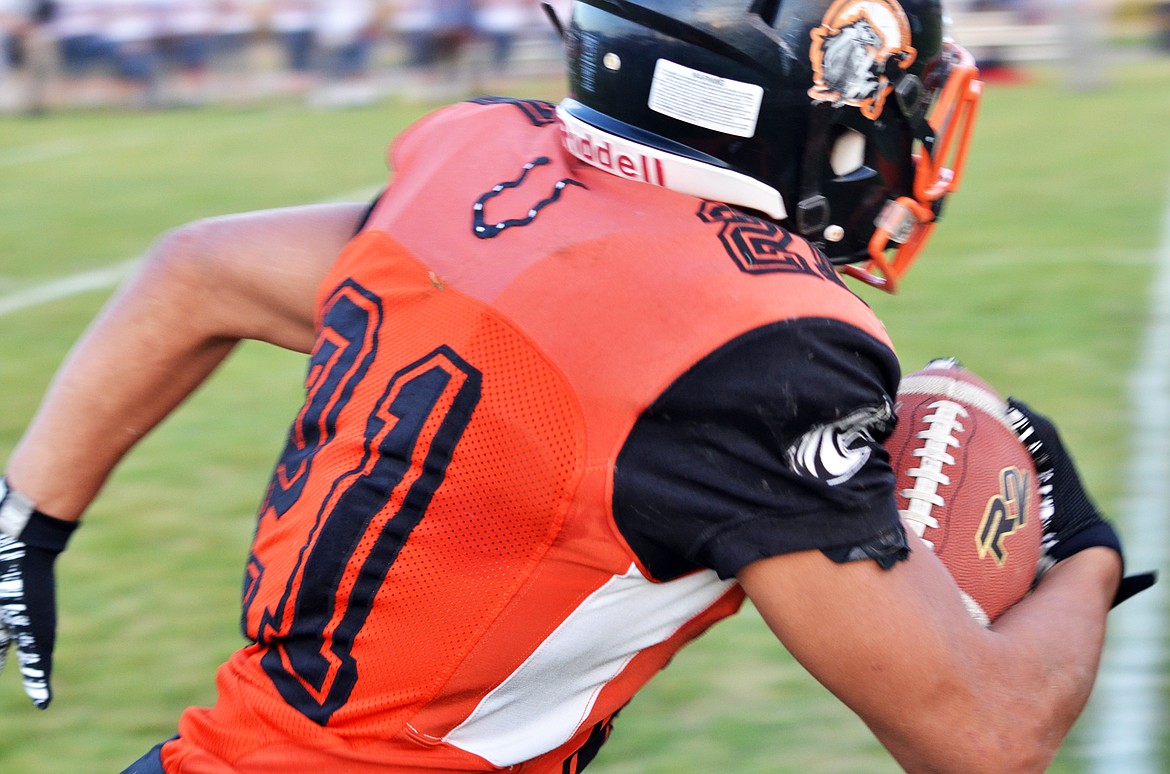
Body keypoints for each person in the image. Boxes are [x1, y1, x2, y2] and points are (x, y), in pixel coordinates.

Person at [0, 1, 1155, 772]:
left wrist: (30, 519)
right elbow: (983, 733)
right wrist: (1081, 537)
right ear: (831, 79)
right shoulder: (761, 347)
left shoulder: (484, 157)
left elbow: (194, 267)